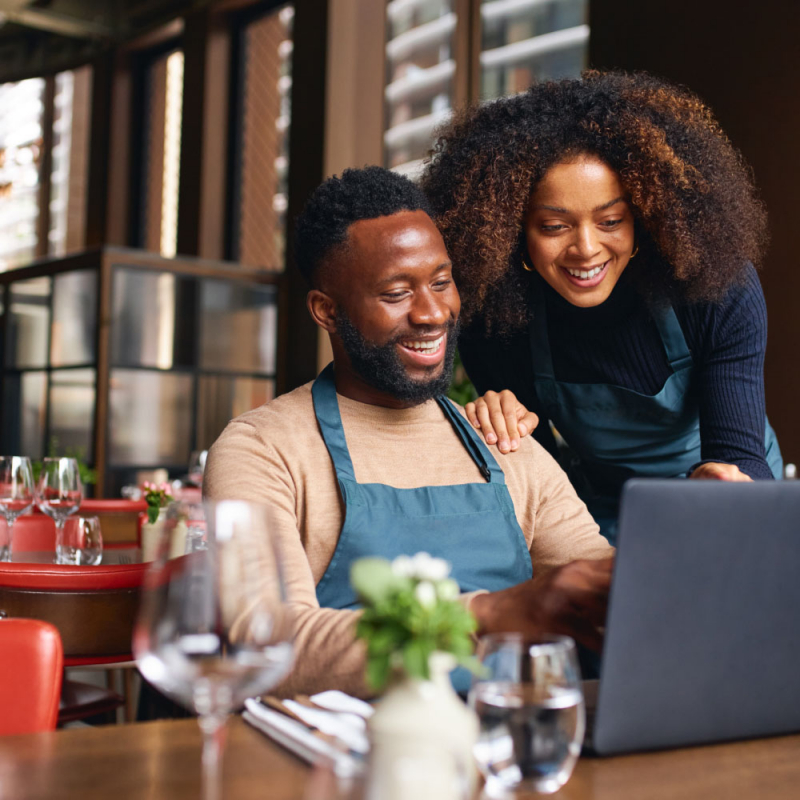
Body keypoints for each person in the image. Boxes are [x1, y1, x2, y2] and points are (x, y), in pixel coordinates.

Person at [204, 166, 613, 698]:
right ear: (327, 311)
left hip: (510, 750)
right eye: (397, 293)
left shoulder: (504, 439)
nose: (432, 313)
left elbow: (601, 589)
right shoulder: (262, 450)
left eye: (441, 282)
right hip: (342, 767)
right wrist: (490, 613)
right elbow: (266, 641)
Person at [421, 70, 782, 543]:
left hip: (726, 502)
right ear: (511, 233)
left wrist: (727, 485)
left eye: (611, 220)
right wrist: (501, 429)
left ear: (644, 217)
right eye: (554, 226)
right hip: (603, 515)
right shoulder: (496, 319)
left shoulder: (714, 288)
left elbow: (741, 454)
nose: (587, 249)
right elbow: (542, 483)